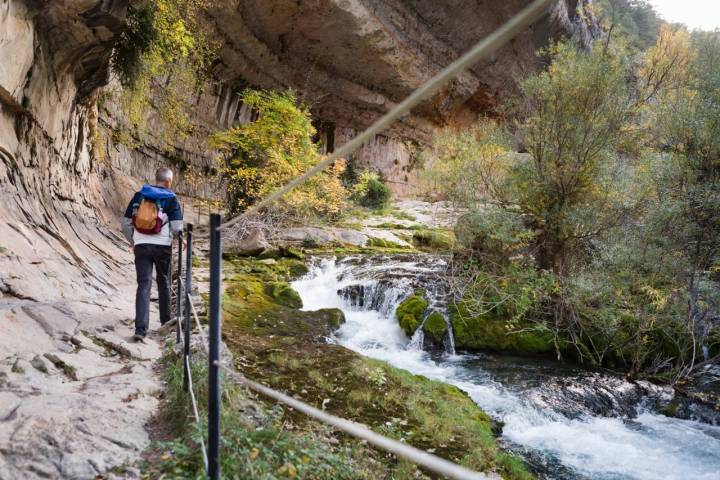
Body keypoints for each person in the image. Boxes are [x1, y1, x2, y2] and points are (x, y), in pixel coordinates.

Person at [121, 167, 183, 341]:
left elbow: (125, 223)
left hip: (141, 245)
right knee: (164, 282)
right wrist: (179, 238)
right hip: (162, 246)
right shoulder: (171, 198)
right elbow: (177, 227)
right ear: (169, 181)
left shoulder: (139, 195)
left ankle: (140, 330)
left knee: (144, 284)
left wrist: (133, 241)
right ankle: (165, 323)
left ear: (155, 179)